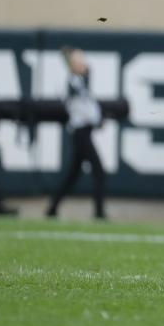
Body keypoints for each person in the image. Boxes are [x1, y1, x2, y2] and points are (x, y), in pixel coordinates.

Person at [47, 48, 107, 220]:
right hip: (81, 132)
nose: (84, 65)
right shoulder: (71, 83)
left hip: (84, 131)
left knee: (72, 176)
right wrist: (98, 120)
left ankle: (52, 208)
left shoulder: (78, 82)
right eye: (80, 62)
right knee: (99, 171)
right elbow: (84, 109)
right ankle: (99, 213)